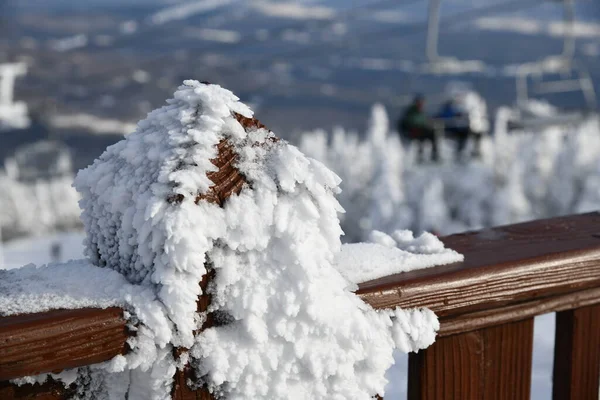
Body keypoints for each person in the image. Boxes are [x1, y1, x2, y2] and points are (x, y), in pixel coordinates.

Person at [398, 95, 439, 163]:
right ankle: (420, 156)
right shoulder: (411, 111)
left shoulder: (421, 111)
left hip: (421, 130)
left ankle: (434, 155)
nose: (421, 104)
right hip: (413, 131)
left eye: (422, 102)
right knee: (421, 137)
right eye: (420, 102)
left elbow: (425, 121)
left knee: (433, 134)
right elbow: (410, 122)